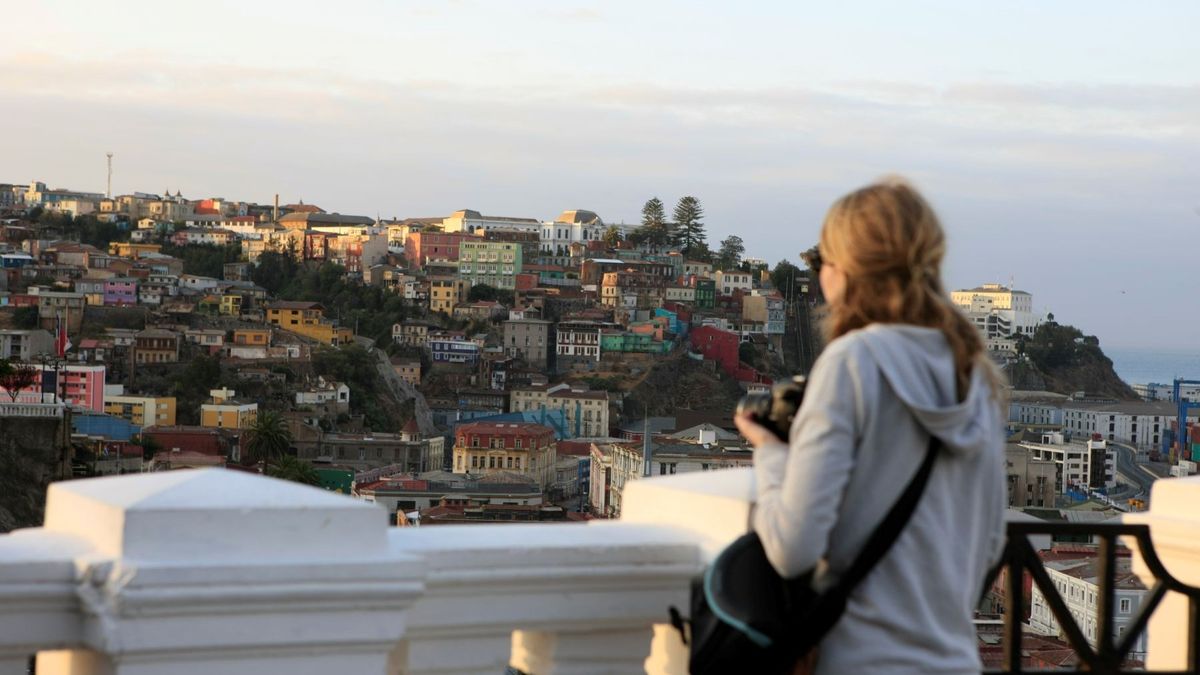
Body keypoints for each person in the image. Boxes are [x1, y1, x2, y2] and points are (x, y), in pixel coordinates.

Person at [735, 178, 1007, 674]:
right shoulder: (975, 375)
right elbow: (990, 546)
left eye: (821, 264)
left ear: (846, 272)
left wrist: (772, 454)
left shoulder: (852, 363)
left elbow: (793, 549)